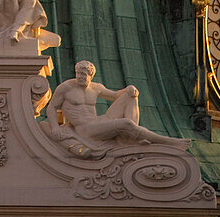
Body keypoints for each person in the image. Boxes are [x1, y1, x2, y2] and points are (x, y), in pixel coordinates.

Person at [43, 60, 190, 158]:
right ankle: (169, 142)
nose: (80, 77)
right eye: (78, 73)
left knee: (130, 96)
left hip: (98, 122)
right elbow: (52, 107)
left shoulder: (96, 88)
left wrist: (130, 89)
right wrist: (55, 127)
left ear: (90, 76)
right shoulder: (66, 87)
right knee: (126, 124)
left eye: (84, 74)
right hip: (85, 129)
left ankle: (130, 137)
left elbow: (116, 96)